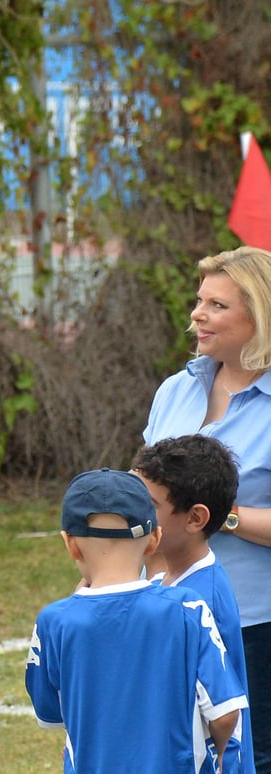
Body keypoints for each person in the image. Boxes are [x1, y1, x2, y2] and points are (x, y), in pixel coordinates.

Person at [25, 468, 247, 773]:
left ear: (70, 543)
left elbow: (50, 713)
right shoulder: (187, 609)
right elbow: (224, 714)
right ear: (154, 539)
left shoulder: (54, 622)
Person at [144, 246, 271, 772]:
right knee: (175, 751)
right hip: (166, 608)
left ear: (259, 317)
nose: (197, 314)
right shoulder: (177, 388)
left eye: (217, 305)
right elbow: (145, 491)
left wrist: (219, 514)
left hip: (252, 621)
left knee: (251, 755)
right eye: (200, 301)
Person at [133, 435, 253, 773]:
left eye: (148, 504)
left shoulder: (199, 601)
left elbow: (224, 718)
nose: (133, 512)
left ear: (195, 519)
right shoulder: (161, 579)